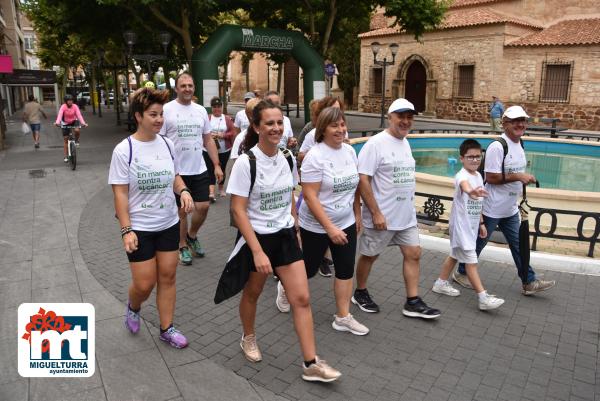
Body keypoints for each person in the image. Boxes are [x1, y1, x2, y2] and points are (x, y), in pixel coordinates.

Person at [226, 99, 341, 382]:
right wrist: (257, 252)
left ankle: (311, 363)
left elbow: (291, 195)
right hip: (258, 239)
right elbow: (237, 210)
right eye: (269, 123)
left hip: (286, 236)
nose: (276, 128)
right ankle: (248, 337)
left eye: (279, 122)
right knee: (252, 293)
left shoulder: (288, 158)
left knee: (301, 298)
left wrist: (297, 229)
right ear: (256, 127)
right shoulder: (246, 162)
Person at [108, 87, 194, 348]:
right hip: (140, 228)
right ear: (138, 116)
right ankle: (134, 306)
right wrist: (126, 230)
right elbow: (120, 194)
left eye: (161, 115)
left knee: (168, 277)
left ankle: (167, 328)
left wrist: (184, 190)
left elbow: (175, 176)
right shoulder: (125, 151)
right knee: (145, 283)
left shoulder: (167, 144)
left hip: (168, 223)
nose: (159, 119)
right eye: (152, 114)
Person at [453, 105, 556, 295]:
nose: (520, 124)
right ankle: (461, 272)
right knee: (479, 244)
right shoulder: (497, 146)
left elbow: (513, 172)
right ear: (505, 123)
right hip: (492, 208)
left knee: (519, 245)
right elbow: (491, 177)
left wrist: (524, 177)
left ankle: (529, 281)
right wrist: (518, 176)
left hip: (510, 208)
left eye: (523, 121)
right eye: (515, 121)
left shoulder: (520, 143)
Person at [353, 98, 440, 319]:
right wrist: (375, 212)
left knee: (414, 253)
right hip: (382, 216)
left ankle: (412, 300)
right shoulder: (375, 144)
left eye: (409, 117)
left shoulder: (405, 142)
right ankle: (360, 292)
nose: (405, 121)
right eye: (401, 116)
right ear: (390, 117)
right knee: (370, 256)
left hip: (405, 215)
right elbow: (363, 179)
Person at [292, 106, 368, 335]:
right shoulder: (315, 156)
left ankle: (343, 316)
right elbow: (311, 196)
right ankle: (286, 289)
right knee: (309, 269)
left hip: (344, 220)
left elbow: (355, 185)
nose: (340, 129)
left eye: (342, 125)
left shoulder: (349, 152)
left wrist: (357, 213)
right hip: (315, 225)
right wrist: (329, 228)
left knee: (345, 268)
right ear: (323, 129)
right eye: (334, 125)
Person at [432, 139, 505, 310]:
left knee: (455, 255)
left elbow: (478, 202)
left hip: (471, 226)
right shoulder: (461, 176)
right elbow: (465, 187)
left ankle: (440, 283)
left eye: (477, 157)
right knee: (471, 261)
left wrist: (481, 223)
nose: (474, 160)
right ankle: (483, 298)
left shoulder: (479, 176)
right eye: (470, 157)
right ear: (461, 158)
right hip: (460, 226)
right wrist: (471, 191)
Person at [159, 72, 223, 265]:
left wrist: (217, 165)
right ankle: (182, 246)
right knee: (182, 212)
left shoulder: (201, 111)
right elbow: (160, 141)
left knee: (202, 207)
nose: (187, 88)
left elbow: (207, 139)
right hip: (177, 172)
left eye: (190, 85)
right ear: (176, 88)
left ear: (194, 88)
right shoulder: (166, 109)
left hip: (199, 168)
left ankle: (192, 236)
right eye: (183, 85)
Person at [224, 98, 261, 191]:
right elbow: (236, 158)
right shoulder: (241, 138)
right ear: (249, 116)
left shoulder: (267, 134)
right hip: (249, 180)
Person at [203, 96, 235, 201]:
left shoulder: (227, 119)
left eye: (219, 106)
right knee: (210, 169)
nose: (217, 109)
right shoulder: (207, 118)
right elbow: (202, 131)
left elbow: (232, 132)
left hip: (224, 150)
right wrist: (209, 136)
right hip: (208, 150)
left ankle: (221, 189)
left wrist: (223, 135)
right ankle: (211, 192)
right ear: (211, 108)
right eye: (214, 107)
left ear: (221, 107)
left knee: (222, 168)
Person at [55, 94, 87, 162]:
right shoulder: (63, 107)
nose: (70, 102)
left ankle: (76, 140)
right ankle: (66, 156)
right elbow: (60, 114)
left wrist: (83, 123)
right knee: (66, 139)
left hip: (73, 121)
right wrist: (57, 122)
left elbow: (79, 115)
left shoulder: (75, 106)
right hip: (65, 123)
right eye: (69, 101)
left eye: (71, 100)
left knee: (77, 130)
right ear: (66, 101)